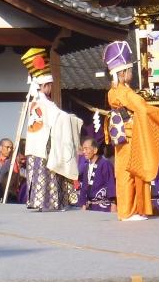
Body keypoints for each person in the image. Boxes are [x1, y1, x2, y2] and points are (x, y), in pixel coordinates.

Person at [104, 40, 159, 221]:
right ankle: (128, 211)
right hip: (130, 134)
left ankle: (131, 210)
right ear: (122, 73)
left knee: (126, 170)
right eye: (130, 70)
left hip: (122, 133)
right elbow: (143, 108)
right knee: (130, 171)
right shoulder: (125, 92)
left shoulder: (114, 91)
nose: (131, 74)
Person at [19, 49, 82, 211]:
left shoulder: (33, 102)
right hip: (44, 145)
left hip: (33, 145)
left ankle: (35, 201)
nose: (51, 88)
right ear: (45, 85)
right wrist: (74, 119)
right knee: (48, 173)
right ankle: (49, 202)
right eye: (50, 85)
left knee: (35, 173)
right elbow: (60, 118)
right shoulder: (46, 104)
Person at [80, 137, 116, 212]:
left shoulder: (105, 164)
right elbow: (84, 187)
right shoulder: (86, 166)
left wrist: (113, 203)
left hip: (104, 206)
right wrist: (83, 204)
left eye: (86, 149)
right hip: (91, 207)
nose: (84, 152)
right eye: (83, 149)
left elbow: (111, 183)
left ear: (95, 150)